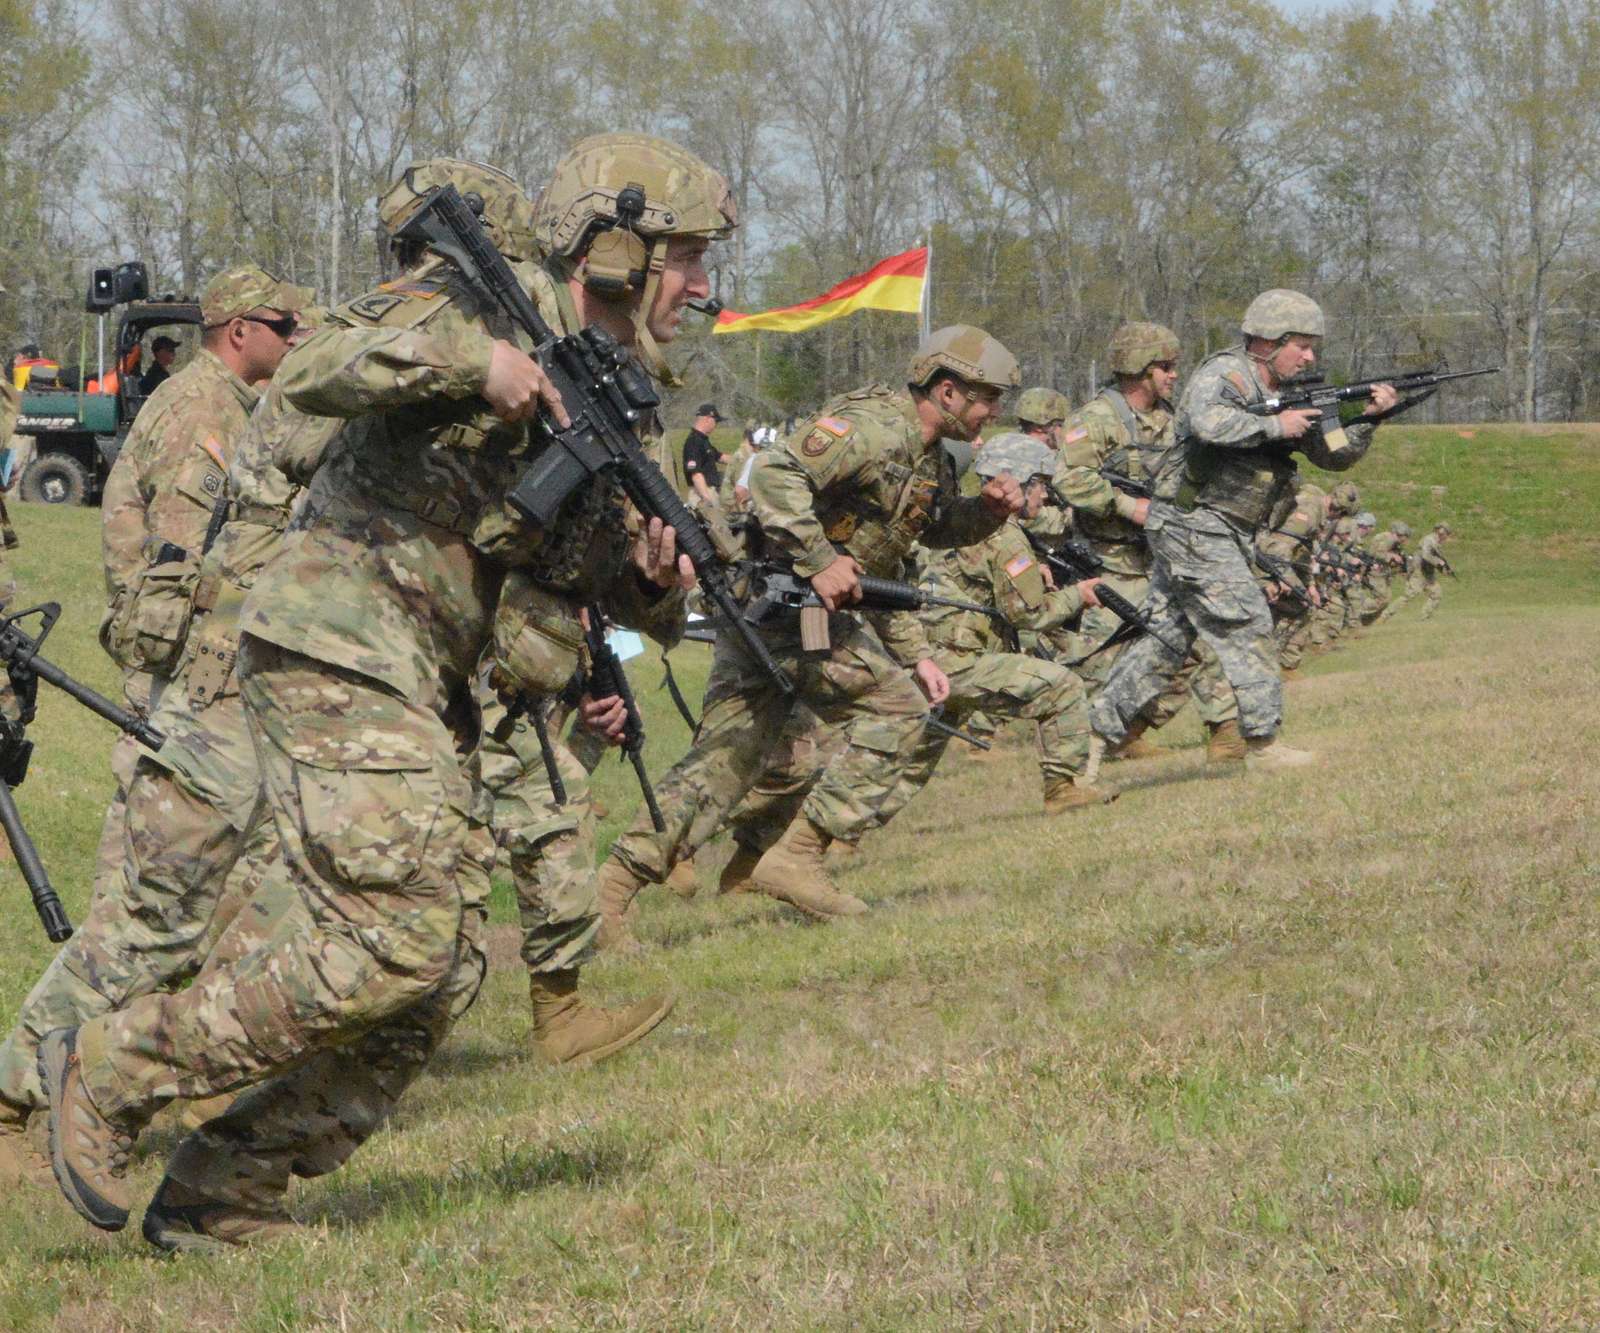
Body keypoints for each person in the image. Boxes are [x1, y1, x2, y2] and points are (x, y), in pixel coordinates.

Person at [35, 135, 721, 1250]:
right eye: (687, 258)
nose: (701, 287)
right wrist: (473, 366)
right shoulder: (480, 300)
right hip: (337, 635)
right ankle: (113, 1066)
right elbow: (314, 368)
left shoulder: (618, 397)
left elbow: (564, 570)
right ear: (619, 244)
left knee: (436, 976)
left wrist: (648, 578)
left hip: (424, 679)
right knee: (399, 937)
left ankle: (223, 1192)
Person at [593, 324, 1025, 947]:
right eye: (988, 398)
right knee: (900, 711)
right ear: (950, 391)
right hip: (783, 606)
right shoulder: (872, 428)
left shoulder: (927, 457)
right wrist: (821, 559)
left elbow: (914, 540)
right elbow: (773, 475)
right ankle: (798, 854)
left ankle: (610, 896)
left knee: (724, 761)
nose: (994, 414)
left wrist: (987, 514)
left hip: (776, 613)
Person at [1087, 290, 1397, 770]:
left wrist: (1371, 422)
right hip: (1195, 524)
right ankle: (1262, 743)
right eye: (1302, 345)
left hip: (1223, 530)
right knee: (1249, 622)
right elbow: (1205, 422)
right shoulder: (1226, 375)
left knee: (1165, 640)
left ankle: (1087, 740)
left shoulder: (1296, 394)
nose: (1311, 356)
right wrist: (1278, 426)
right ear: (1269, 341)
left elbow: (1332, 455)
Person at [1050, 322, 1240, 761]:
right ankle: (1092, 744)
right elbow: (1069, 480)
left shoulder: (1171, 422)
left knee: (1199, 642)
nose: (1174, 375)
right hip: (1110, 564)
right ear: (1139, 368)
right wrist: (1127, 506)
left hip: (1161, 560)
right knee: (1096, 667)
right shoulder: (1095, 420)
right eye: (1166, 366)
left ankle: (1225, 730)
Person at [683, 402, 724, 506]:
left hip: (710, 490)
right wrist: (706, 498)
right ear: (708, 419)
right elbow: (695, 473)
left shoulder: (703, 440)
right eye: (716, 421)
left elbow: (719, 457)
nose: (716, 425)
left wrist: (746, 459)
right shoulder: (693, 442)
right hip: (702, 493)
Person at [1415, 521, 1453, 619]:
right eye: (1445, 534)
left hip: (1427, 571)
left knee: (1436, 593)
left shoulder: (1435, 542)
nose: (1445, 537)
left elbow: (1438, 557)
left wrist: (1444, 568)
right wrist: (1439, 563)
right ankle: (1385, 615)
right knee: (1410, 594)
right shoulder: (1429, 540)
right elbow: (1426, 556)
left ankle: (1425, 616)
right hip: (1420, 571)